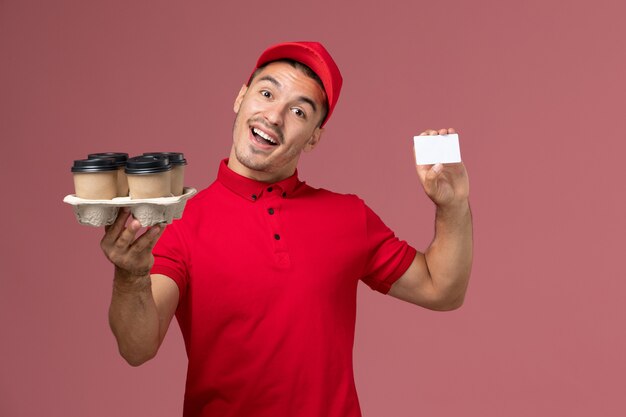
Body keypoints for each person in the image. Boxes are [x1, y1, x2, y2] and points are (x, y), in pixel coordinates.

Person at [100, 41, 472, 417]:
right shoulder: (180, 221)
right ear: (240, 98)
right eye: (266, 93)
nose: (274, 116)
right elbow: (138, 347)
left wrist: (452, 205)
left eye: (298, 111)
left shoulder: (348, 216)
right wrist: (130, 274)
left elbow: (441, 289)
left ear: (313, 136)